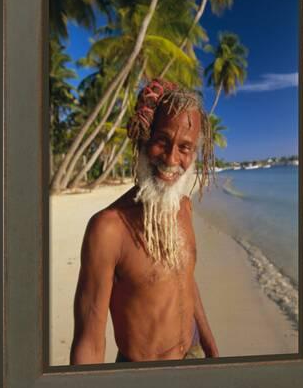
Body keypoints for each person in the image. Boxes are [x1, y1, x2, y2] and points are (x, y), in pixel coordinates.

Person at [70, 79, 219, 364]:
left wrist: (211, 347)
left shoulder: (183, 207)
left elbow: (185, 279)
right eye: (162, 141)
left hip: (194, 352)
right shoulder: (108, 230)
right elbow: (89, 340)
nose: (172, 159)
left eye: (185, 148)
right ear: (144, 138)